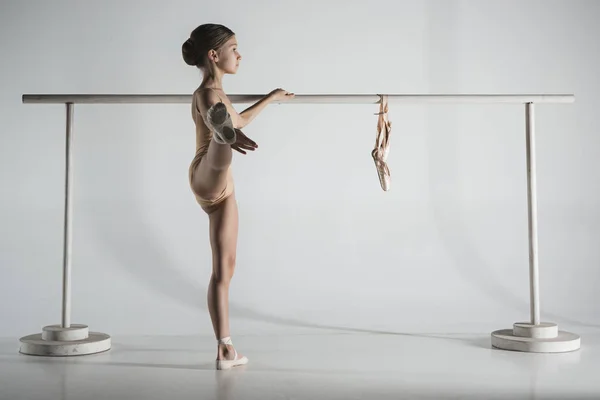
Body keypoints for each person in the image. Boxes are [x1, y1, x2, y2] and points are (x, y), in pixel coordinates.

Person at [182, 23, 294, 370]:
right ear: (214, 55)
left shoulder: (220, 95)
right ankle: (221, 137)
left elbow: (241, 120)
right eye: (234, 47)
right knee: (221, 145)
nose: (240, 53)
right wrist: (226, 134)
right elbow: (230, 120)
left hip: (224, 190)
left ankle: (225, 348)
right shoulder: (205, 94)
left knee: (224, 270)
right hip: (206, 172)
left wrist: (271, 99)